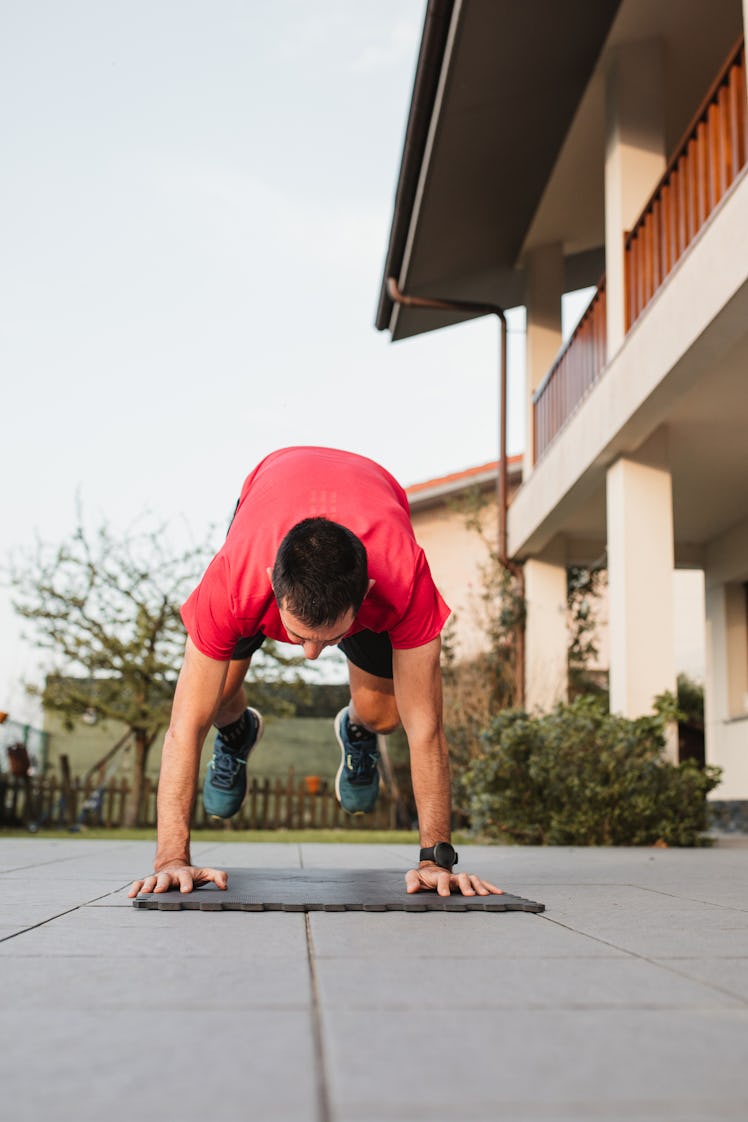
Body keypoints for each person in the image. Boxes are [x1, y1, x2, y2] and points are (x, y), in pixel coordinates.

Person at [128, 447, 501, 900]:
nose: (310, 654)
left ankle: (358, 729)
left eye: (327, 639)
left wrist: (434, 860)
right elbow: (183, 727)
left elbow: (427, 728)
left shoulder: (405, 578)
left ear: (365, 593)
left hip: (372, 504)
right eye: (298, 634)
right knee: (212, 697)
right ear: (272, 582)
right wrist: (171, 859)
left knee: (387, 717)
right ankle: (236, 731)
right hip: (267, 497)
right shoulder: (232, 579)